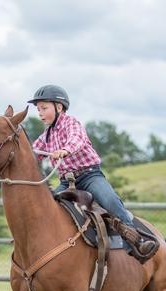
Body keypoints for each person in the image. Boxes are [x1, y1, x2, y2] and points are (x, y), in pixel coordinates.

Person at [27, 84, 157, 257]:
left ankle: (136, 239)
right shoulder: (47, 134)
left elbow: (76, 139)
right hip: (66, 182)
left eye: (44, 108)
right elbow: (33, 152)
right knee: (47, 207)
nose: (40, 113)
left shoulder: (70, 123)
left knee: (110, 200)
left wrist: (65, 150)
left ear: (59, 107)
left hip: (89, 176)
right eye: (38, 110)